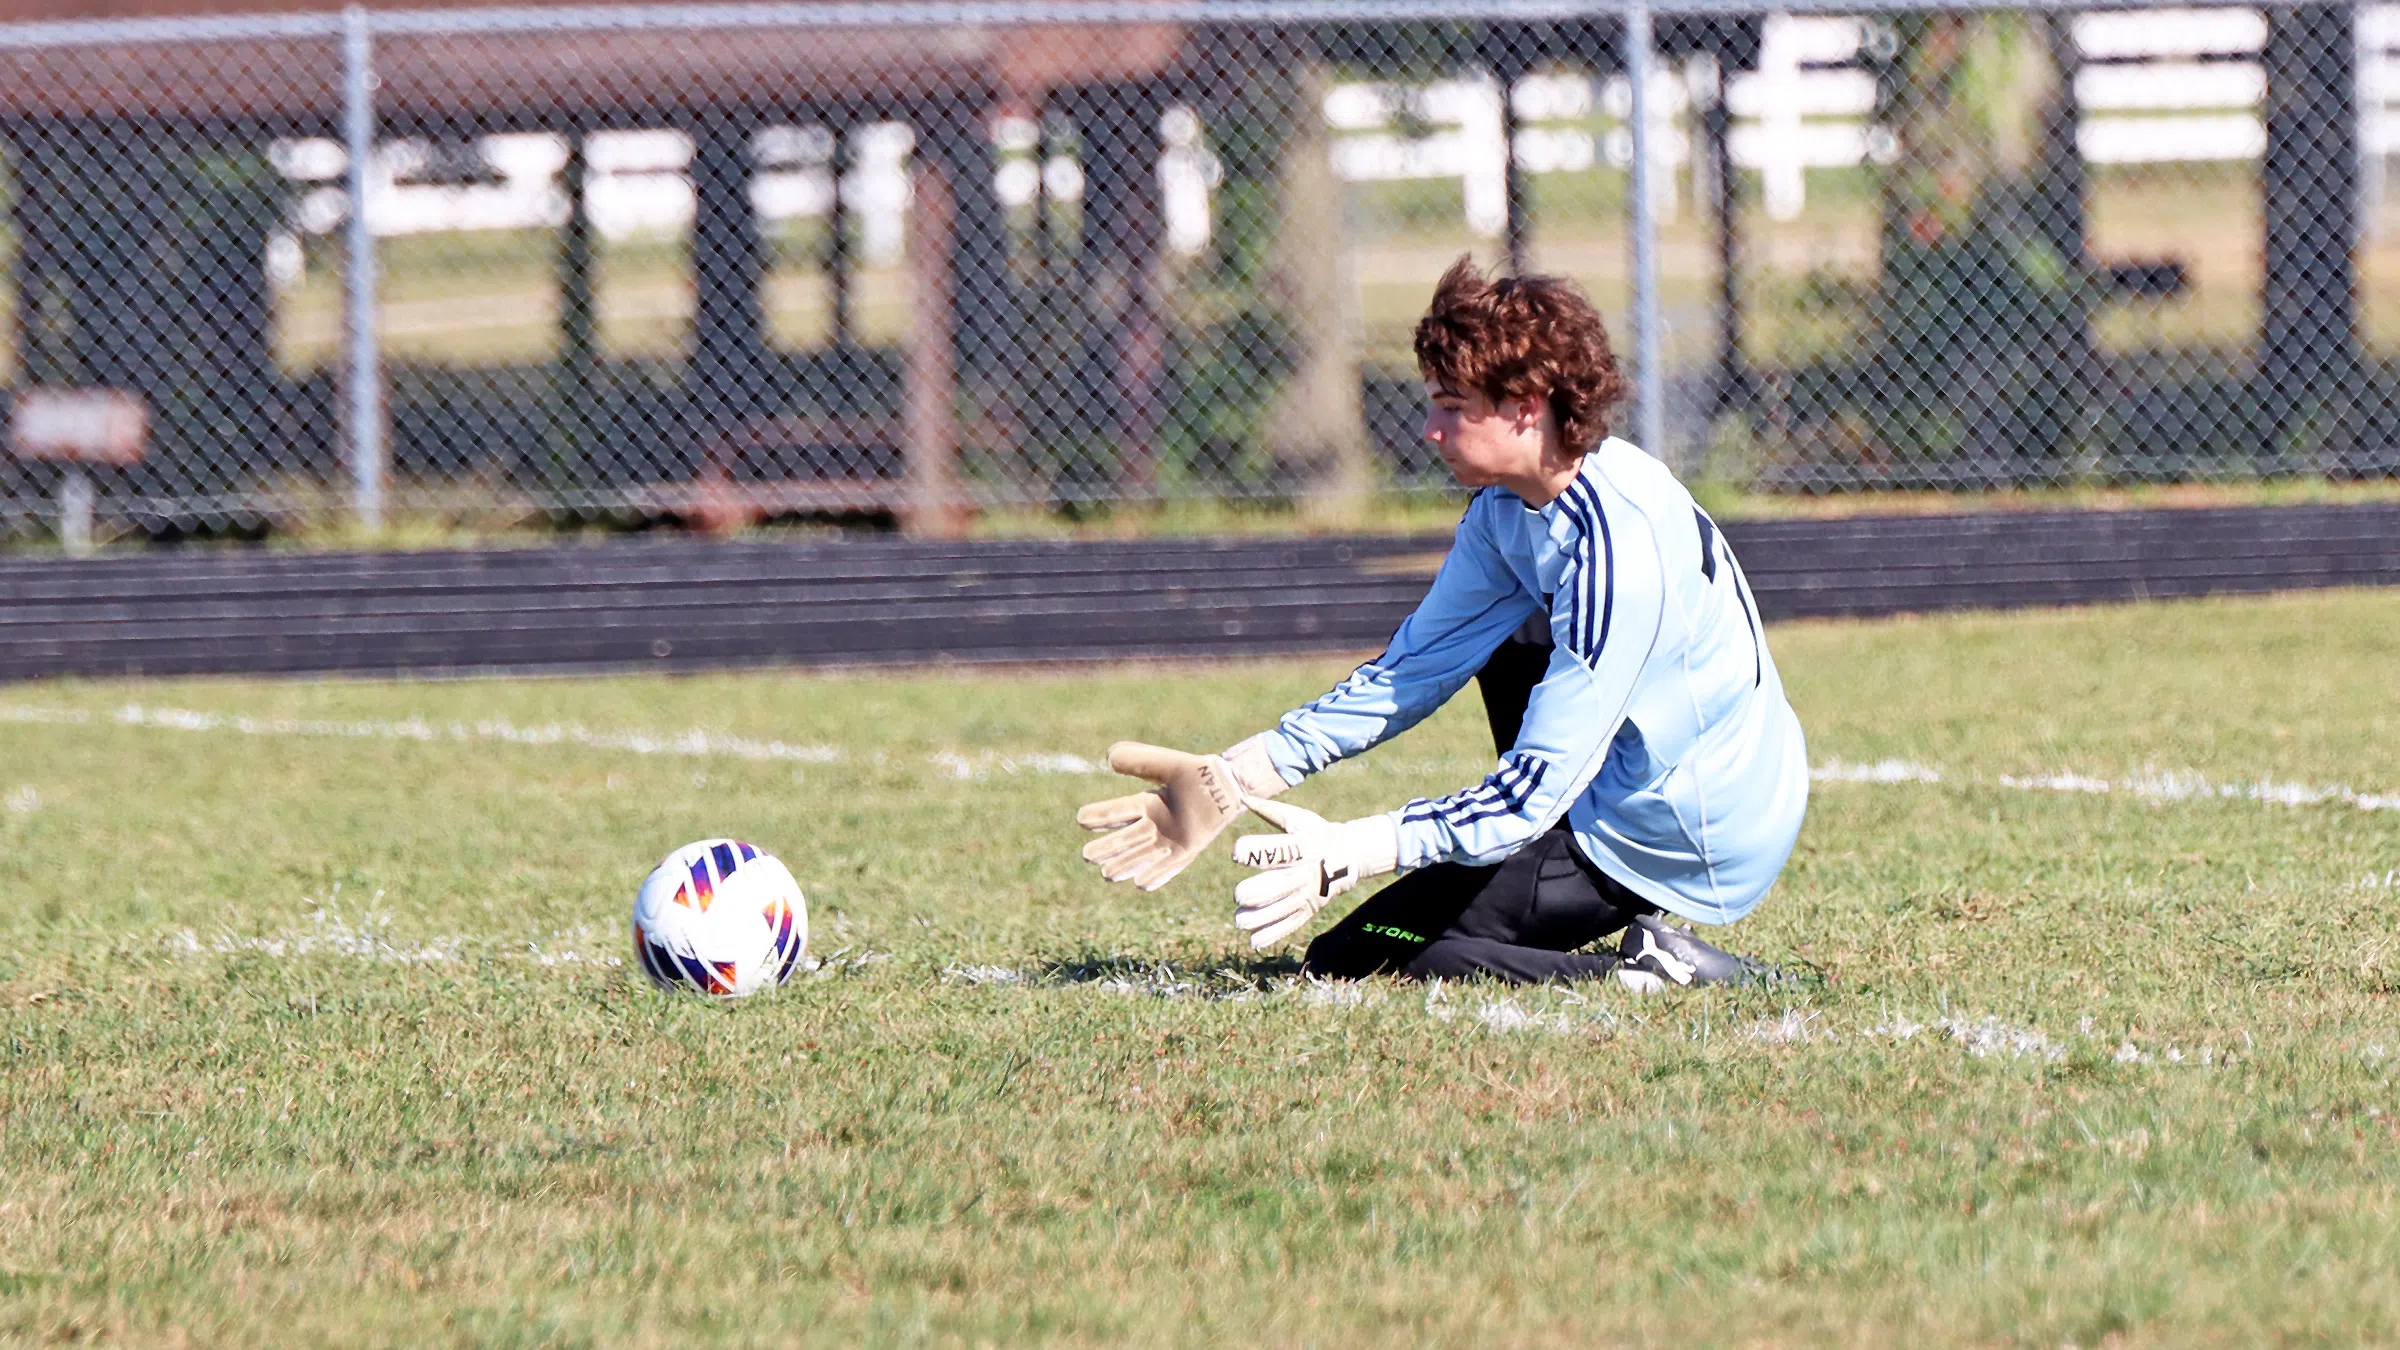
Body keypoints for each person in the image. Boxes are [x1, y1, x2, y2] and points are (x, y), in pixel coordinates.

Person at [1076, 258, 1807, 989]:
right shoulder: (1509, 506)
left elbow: (1527, 796)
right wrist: (1236, 777)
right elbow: (1411, 670)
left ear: (1527, 405)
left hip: (1685, 828)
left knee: (1364, 954)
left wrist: (1351, 850)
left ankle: (1662, 970)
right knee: (1506, 633)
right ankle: (1554, 891)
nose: (1429, 429)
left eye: (1453, 406)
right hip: (1641, 781)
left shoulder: (1620, 553)